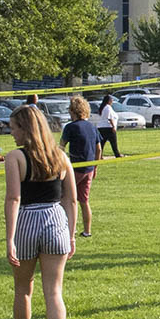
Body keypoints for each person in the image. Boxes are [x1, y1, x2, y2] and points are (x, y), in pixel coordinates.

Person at [4, 105, 76, 319]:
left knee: (23, 289)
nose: (11, 133)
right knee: (54, 292)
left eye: (14, 128)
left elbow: (14, 198)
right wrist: (71, 235)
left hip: (26, 220)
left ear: (25, 129)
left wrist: (10, 238)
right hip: (56, 220)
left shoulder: (15, 158)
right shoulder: (60, 156)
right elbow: (72, 199)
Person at [61, 96, 101, 238]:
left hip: (76, 169)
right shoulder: (92, 126)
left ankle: (67, 228)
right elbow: (99, 149)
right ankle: (87, 231)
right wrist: (95, 167)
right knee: (84, 201)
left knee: (65, 198)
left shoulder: (70, 127)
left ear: (73, 111)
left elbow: (61, 147)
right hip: (89, 169)